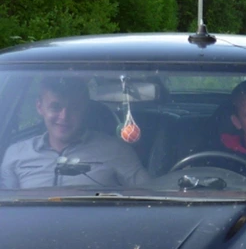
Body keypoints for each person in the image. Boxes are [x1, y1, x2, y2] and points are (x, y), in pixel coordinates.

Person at [0, 77, 149, 189]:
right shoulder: (16, 154)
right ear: (40, 107)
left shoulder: (116, 151)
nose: (64, 116)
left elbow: (148, 196)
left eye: (74, 108)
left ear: (85, 109)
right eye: (55, 107)